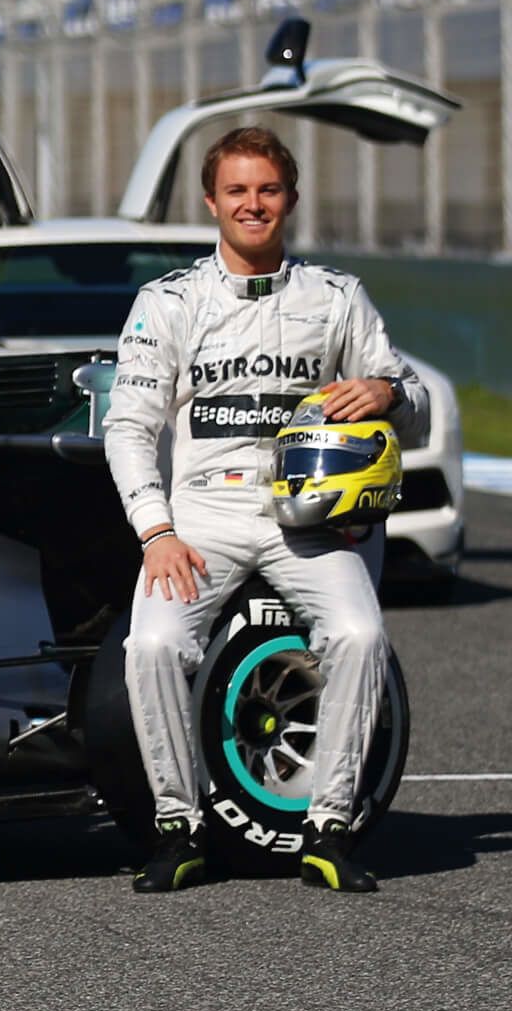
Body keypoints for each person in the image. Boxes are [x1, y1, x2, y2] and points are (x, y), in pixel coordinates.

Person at [105, 126, 423, 895]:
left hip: (304, 523)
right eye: (239, 191)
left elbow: (411, 402)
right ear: (212, 202)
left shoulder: (335, 298)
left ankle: (330, 827)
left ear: (291, 199)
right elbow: (129, 428)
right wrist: (157, 533)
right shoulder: (170, 301)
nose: (254, 205)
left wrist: (382, 392)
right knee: (150, 646)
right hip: (203, 516)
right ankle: (178, 828)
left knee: (359, 631)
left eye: (269, 190)